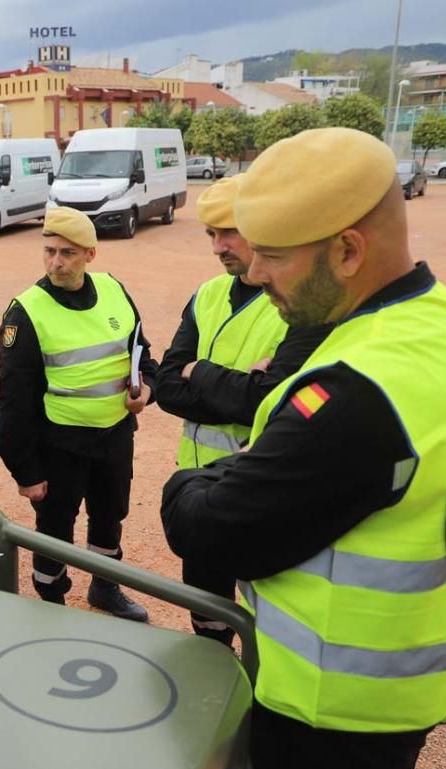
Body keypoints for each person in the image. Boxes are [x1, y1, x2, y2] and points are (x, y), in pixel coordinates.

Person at [162, 128, 446, 769]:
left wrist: (190, 479)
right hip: (417, 676)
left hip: (335, 703)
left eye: (275, 257)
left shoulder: (355, 392)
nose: (255, 275)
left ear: (348, 250)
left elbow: (211, 530)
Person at [155, 174, 329, 645]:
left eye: (228, 231)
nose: (217, 246)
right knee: (207, 609)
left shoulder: (300, 303)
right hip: (199, 489)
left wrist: (201, 373)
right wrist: (245, 389)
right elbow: (167, 386)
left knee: (267, 607)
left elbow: (270, 399)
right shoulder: (207, 294)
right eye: (211, 234)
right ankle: (213, 670)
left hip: (261, 488)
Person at [0, 206, 156, 619]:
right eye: (49, 251)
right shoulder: (26, 310)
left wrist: (147, 388)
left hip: (116, 435)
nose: (56, 262)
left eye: (67, 253)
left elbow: (143, 354)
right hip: (60, 444)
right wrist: (26, 472)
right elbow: (14, 402)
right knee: (55, 530)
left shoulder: (114, 290)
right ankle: (52, 602)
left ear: (90, 255)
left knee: (109, 517)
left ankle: (105, 587)